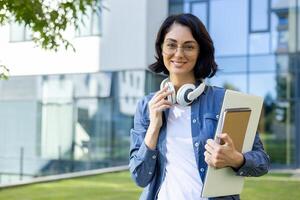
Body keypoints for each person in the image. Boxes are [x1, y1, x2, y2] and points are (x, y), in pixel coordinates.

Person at [129, 13, 270, 200]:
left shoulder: (225, 101)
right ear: (161, 49)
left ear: (200, 52)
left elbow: (262, 163)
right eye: (171, 44)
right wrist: (154, 127)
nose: (178, 54)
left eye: (189, 46)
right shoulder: (147, 105)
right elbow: (140, 177)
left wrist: (236, 159)